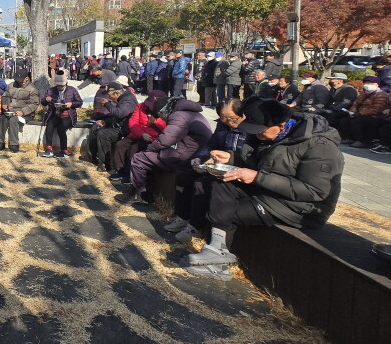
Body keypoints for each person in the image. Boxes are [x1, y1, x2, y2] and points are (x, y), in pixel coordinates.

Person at [183, 98, 344, 282]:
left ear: (281, 125)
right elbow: (254, 163)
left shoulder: (319, 147)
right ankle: (216, 251)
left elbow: (315, 191)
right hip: (267, 192)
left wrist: (257, 177)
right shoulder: (264, 135)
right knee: (220, 182)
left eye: (261, 131)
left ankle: (218, 264)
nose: (256, 135)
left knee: (228, 211)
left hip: (300, 207)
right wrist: (232, 159)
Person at [167, 98, 247, 243]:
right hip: (220, 167)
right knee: (184, 174)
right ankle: (183, 217)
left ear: (242, 114)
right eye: (224, 119)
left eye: (232, 118)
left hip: (238, 171)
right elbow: (210, 144)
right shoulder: (223, 126)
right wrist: (199, 158)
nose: (229, 122)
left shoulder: (250, 129)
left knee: (201, 184)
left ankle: (195, 227)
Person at [117, 96, 212, 206]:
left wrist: (150, 148)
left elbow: (165, 140)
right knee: (151, 155)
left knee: (139, 158)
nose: (160, 118)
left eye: (160, 115)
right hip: (193, 153)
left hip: (185, 157)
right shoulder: (191, 113)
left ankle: (139, 194)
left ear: (163, 111)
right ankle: (147, 191)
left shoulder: (178, 116)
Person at [108, 90, 167, 182]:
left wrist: (154, 122)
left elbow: (165, 128)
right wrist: (141, 134)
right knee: (120, 145)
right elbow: (133, 123)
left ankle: (129, 174)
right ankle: (120, 170)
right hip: (137, 134)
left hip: (152, 138)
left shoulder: (165, 112)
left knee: (134, 148)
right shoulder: (140, 107)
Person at [86, 82, 137, 171]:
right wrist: (105, 122)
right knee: (96, 126)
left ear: (116, 94)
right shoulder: (122, 98)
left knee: (103, 133)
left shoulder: (128, 100)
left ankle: (106, 164)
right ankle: (94, 157)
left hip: (125, 128)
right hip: (118, 123)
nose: (109, 98)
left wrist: (106, 104)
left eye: (110, 96)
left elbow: (119, 113)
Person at [336, 76, 391, 148]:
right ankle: (348, 138)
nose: (368, 85)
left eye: (371, 83)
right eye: (367, 83)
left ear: (377, 84)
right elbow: (355, 104)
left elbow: (377, 109)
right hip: (360, 113)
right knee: (344, 120)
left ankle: (361, 140)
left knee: (357, 121)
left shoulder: (381, 94)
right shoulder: (363, 94)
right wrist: (353, 112)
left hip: (375, 115)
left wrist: (360, 113)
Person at [41, 73, 84, 159]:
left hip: (68, 115)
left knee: (61, 128)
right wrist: (46, 99)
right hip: (55, 113)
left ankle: (64, 150)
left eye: (62, 86)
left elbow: (80, 102)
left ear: (66, 84)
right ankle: (49, 148)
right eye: (58, 86)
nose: (60, 87)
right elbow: (43, 102)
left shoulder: (72, 90)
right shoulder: (51, 90)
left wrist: (71, 104)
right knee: (49, 125)